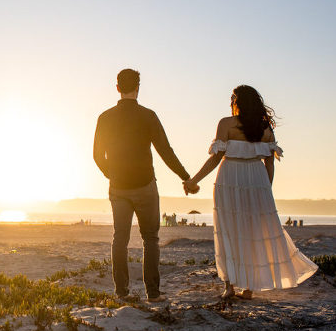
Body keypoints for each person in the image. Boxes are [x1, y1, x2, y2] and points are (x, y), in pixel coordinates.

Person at [184, 85, 317, 300]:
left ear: (236, 101)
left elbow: (216, 158)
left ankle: (229, 285)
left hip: (230, 177)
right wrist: (266, 191)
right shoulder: (265, 129)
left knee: (229, 230)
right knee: (253, 233)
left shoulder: (226, 123)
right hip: (257, 180)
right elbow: (270, 164)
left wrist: (193, 181)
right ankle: (248, 289)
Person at [93, 69, 192, 303]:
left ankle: (121, 292)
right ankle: (153, 293)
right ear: (138, 87)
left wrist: (113, 174)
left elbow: (97, 156)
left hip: (119, 188)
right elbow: (165, 151)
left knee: (120, 238)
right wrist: (185, 176)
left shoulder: (105, 117)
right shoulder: (148, 115)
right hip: (146, 185)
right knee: (150, 239)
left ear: (117, 87)